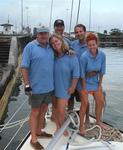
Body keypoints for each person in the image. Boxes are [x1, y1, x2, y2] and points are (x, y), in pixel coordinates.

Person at [21, 26, 53, 150]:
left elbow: (63, 48)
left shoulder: (51, 47)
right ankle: (34, 139)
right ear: (37, 35)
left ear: (48, 34)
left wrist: (69, 51)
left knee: (44, 110)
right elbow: (24, 67)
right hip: (36, 88)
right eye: (41, 34)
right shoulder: (30, 47)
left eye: (45, 33)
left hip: (49, 87)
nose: (43, 36)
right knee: (35, 112)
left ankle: (39, 131)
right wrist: (27, 85)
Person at [49, 34, 80, 136]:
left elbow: (76, 74)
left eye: (57, 41)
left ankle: (61, 127)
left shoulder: (71, 55)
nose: (55, 44)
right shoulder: (53, 56)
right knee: (55, 107)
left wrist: (73, 87)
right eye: (53, 43)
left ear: (62, 41)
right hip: (53, 87)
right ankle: (58, 125)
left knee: (62, 110)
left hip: (64, 88)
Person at [79, 32, 106, 135]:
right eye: (89, 45)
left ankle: (98, 122)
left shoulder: (102, 55)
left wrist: (99, 86)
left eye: (93, 44)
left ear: (97, 43)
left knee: (100, 102)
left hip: (96, 82)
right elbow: (82, 74)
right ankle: (81, 126)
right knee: (84, 103)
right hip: (84, 83)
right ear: (87, 45)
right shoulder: (84, 57)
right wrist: (85, 88)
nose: (91, 47)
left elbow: (102, 71)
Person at [69, 24, 90, 124]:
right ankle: (69, 116)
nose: (79, 33)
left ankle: (87, 119)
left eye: (80, 31)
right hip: (72, 77)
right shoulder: (72, 44)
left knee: (85, 100)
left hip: (84, 78)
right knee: (70, 98)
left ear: (84, 32)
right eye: (76, 32)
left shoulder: (90, 45)